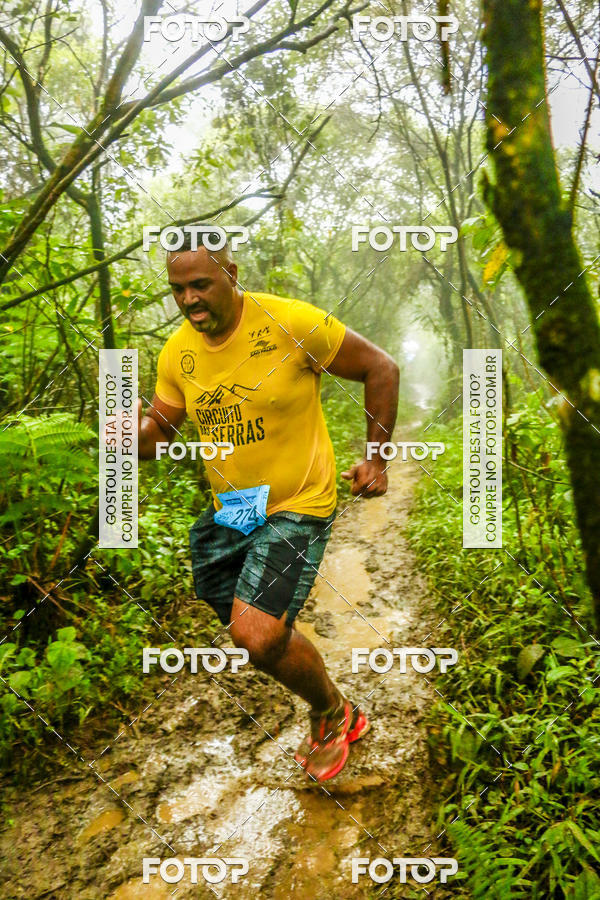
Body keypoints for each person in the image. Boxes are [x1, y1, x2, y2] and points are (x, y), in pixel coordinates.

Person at [137, 229, 399, 782]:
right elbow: (156, 435)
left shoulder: (292, 323)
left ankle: (333, 713)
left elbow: (382, 367)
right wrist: (126, 435)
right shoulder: (177, 353)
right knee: (231, 606)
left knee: (253, 635)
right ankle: (290, 645)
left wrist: (375, 459)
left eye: (201, 285)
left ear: (231, 276)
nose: (189, 301)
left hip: (300, 500)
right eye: (178, 290)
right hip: (235, 507)